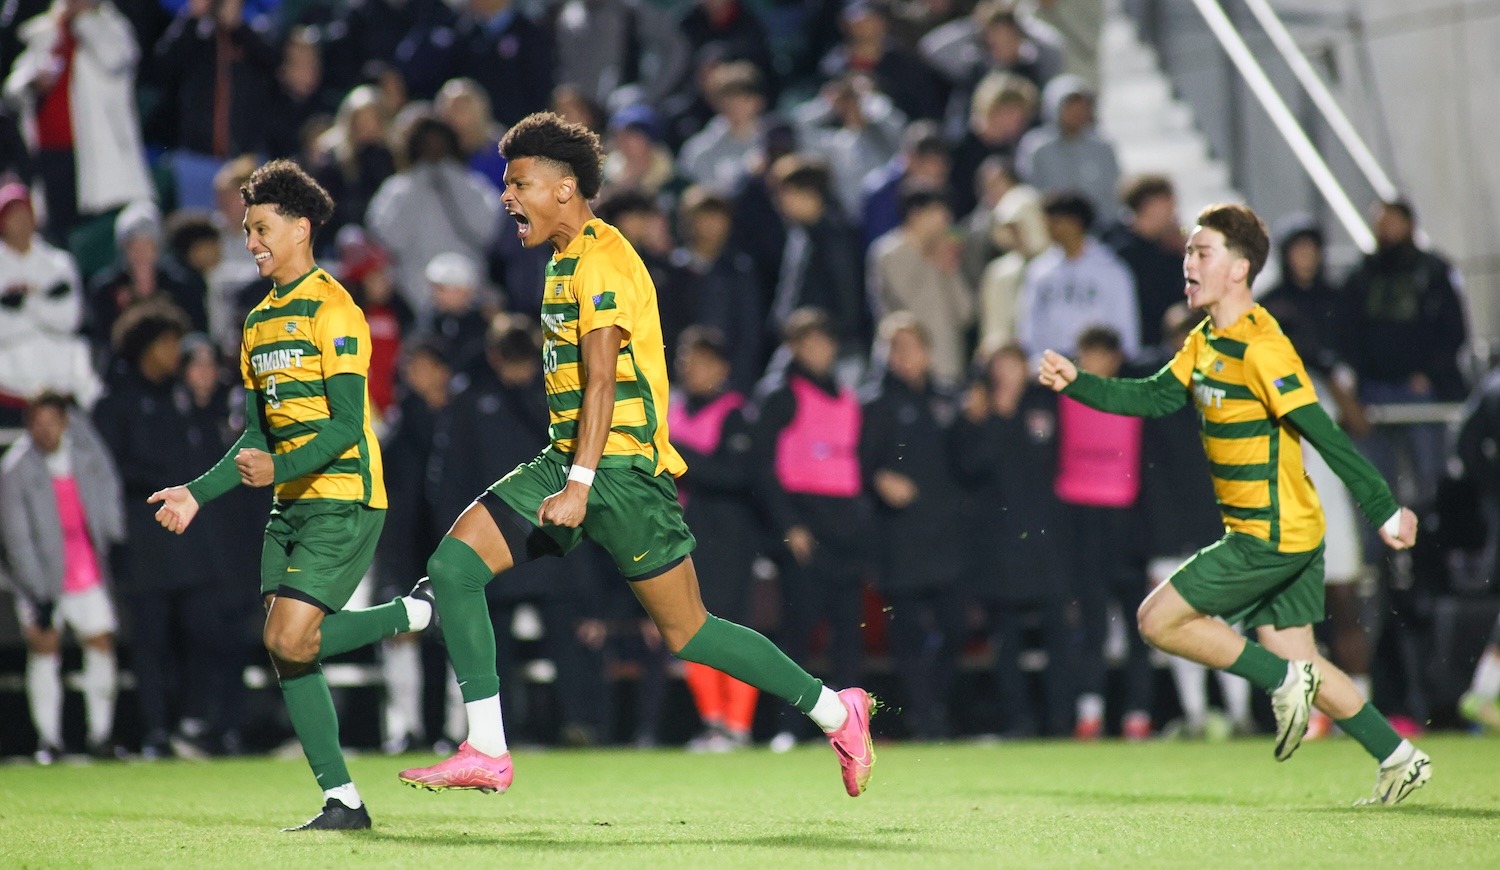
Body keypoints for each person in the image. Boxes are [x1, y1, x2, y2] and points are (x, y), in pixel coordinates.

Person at [395, 113, 876, 797]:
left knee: (689, 632)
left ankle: (836, 709)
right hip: (567, 461)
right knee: (453, 566)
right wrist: (570, 472)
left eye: (519, 184)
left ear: (564, 189)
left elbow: (602, 377)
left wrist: (582, 482)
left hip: (619, 474)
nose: (507, 198)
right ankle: (487, 748)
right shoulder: (561, 259)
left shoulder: (603, 259)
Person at [1038, 203, 1431, 806]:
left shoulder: (1263, 347)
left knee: (1157, 620)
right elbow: (1152, 397)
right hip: (1285, 530)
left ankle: (1283, 684)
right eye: (1189, 252)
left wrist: (1383, 507)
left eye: (1203, 253)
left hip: (1270, 535)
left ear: (1240, 269)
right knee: (1300, 658)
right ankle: (1398, 757)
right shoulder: (1205, 341)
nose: (1188, 264)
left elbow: (1325, 432)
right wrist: (1079, 384)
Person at [145, 160, 437, 831]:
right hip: (290, 506)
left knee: (289, 634)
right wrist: (196, 493)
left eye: (261, 228)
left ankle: (408, 617)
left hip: (344, 496)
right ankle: (342, 800)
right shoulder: (257, 322)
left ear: (301, 228)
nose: (249, 241)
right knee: (289, 649)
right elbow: (254, 434)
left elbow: (343, 424)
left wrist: (279, 469)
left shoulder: (336, 308)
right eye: (246, 229)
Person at [0, 392, 125, 763]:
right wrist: (38, 591)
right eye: (37, 422)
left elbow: (108, 497)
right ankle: (49, 740)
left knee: (100, 643)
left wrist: (115, 542)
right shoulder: (15, 470)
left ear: (65, 422)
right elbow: (16, 539)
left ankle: (101, 735)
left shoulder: (85, 455)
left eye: (53, 421)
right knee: (44, 647)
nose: (46, 430)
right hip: (40, 576)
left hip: (86, 568)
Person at [859, 314, 966, 739]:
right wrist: (877, 477)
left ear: (927, 351)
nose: (902, 357)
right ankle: (924, 716)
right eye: (894, 348)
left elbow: (966, 461)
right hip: (897, 537)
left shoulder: (948, 400)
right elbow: (857, 463)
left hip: (944, 533)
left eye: (910, 347)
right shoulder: (874, 402)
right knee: (906, 635)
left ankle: (932, 704)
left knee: (955, 627)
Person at [668, 326, 762, 751]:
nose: (692, 368)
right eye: (687, 360)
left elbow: (739, 474)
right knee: (690, 628)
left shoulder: (736, 412)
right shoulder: (670, 408)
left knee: (734, 627)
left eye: (703, 360)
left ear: (722, 368)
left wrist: (678, 456)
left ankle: (738, 724)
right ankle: (713, 722)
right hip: (680, 535)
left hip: (729, 537)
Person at [2, 0, 154, 244]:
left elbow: (115, 59)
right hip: (48, 153)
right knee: (57, 231)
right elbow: (12, 88)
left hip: (94, 156)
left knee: (97, 234)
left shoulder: (112, 26)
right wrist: (33, 80)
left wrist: (84, 19)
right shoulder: (48, 31)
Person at [0, 182, 101, 421]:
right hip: (10, 382)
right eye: (13, 216)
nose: (20, 222)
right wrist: (43, 303)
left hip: (60, 381)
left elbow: (69, 319)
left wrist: (24, 304)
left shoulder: (59, 263)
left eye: (25, 214)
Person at [866, 186, 975, 385]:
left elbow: (966, 313)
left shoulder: (944, 250)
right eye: (938, 211)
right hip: (905, 368)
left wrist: (949, 268)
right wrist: (927, 257)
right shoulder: (889, 252)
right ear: (916, 215)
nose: (945, 219)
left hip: (947, 364)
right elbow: (907, 303)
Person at [1016, 190, 1138, 362]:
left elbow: (1125, 325)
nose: (1049, 228)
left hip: (1097, 370)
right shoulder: (1039, 271)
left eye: (1056, 221)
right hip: (1050, 370)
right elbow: (1028, 326)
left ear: (1076, 223)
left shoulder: (1110, 269)